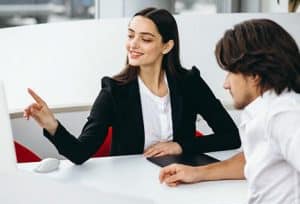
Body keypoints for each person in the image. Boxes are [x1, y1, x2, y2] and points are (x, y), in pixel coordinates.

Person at [24, 7, 240, 165]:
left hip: (182, 178)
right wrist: (51, 125)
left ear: (167, 46)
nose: (133, 44)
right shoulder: (113, 91)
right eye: (130, 36)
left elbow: (231, 136)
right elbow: (79, 153)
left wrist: (180, 146)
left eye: (145, 39)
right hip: (132, 186)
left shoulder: (189, 83)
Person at [159, 19, 300, 204]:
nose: (226, 84)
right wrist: (197, 173)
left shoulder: (284, 114)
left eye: (231, 72)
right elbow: (255, 159)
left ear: (255, 75)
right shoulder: (267, 112)